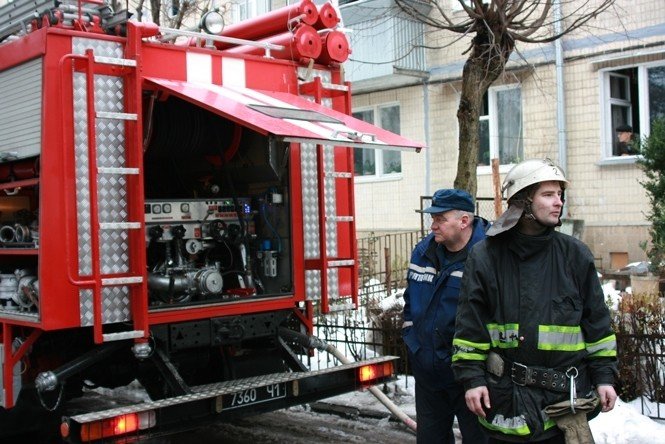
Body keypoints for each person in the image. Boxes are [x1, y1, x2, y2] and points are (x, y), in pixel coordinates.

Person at [451, 159, 618, 443]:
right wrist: (472, 379)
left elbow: (597, 322)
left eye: (560, 195)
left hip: (563, 404)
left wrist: (605, 376)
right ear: (523, 201)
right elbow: (471, 323)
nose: (558, 202)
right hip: (505, 400)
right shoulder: (485, 256)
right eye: (548, 194)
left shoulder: (575, 255)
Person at [402, 188, 490, 444]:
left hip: (472, 376)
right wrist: (413, 341)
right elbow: (411, 301)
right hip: (429, 373)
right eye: (433, 219)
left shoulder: (490, 255)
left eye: (440, 219)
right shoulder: (423, 251)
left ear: (464, 221)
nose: (433, 226)